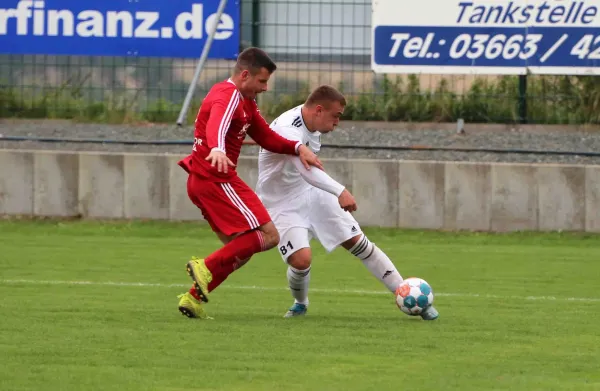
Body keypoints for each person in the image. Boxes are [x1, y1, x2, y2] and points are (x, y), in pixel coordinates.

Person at [255, 85, 439, 320]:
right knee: (301, 260)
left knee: (358, 242)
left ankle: (406, 293)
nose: (337, 123)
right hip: (281, 202)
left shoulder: (313, 126)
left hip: (312, 192)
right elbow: (305, 169)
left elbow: (308, 175)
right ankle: (300, 303)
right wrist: (340, 190)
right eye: (336, 116)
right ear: (319, 110)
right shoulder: (287, 129)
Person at [176, 47, 323, 320]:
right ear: (245, 75)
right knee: (269, 236)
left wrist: (297, 147)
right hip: (216, 179)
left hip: (202, 180)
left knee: (242, 250)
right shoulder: (228, 94)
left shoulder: (246, 101)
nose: (265, 88)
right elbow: (217, 123)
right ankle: (205, 265)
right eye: (262, 81)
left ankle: (192, 298)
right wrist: (218, 148)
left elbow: (266, 136)